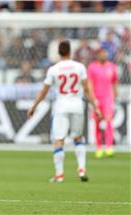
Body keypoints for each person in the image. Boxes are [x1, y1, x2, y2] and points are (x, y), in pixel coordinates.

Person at [27, 40, 102, 183]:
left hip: (61, 106)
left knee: (59, 140)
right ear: (70, 51)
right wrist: (95, 107)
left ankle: (60, 174)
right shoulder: (79, 67)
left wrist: (34, 106)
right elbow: (86, 89)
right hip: (77, 106)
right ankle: (81, 169)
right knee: (78, 137)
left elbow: (44, 91)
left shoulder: (54, 69)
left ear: (58, 52)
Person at [88, 48, 118, 158]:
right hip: (97, 99)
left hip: (108, 99)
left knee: (109, 121)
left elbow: (114, 82)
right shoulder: (92, 67)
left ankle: (109, 147)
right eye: (102, 54)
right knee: (97, 122)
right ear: (97, 55)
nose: (104, 55)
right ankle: (99, 147)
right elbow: (90, 84)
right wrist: (92, 98)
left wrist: (115, 95)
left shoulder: (112, 66)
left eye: (105, 53)